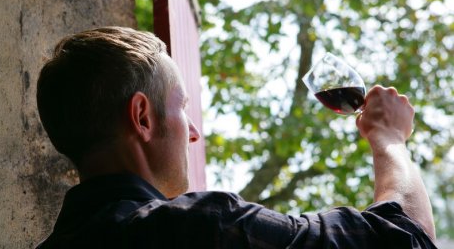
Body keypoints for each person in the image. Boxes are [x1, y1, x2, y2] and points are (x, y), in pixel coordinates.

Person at [35, 26, 437, 248]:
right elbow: (404, 242)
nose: (193, 133)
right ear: (142, 117)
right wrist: (388, 137)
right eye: (182, 107)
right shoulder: (196, 229)